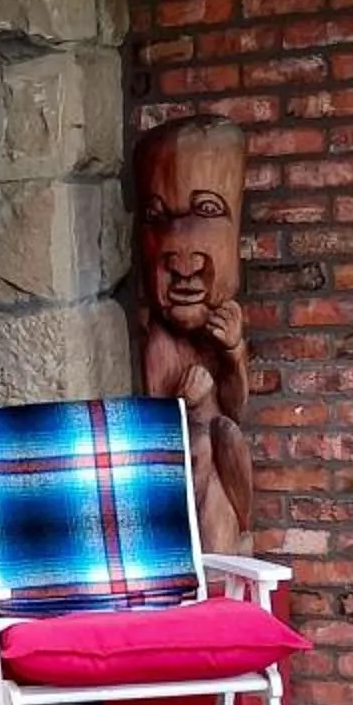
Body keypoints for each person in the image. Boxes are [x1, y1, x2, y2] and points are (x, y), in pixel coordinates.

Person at [133, 116, 253, 554]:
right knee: (200, 442)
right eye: (156, 217)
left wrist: (235, 352)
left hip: (222, 472)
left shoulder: (225, 324)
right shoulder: (159, 342)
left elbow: (237, 407)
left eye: (207, 211)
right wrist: (186, 403)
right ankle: (199, 577)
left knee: (224, 434)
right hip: (185, 472)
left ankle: (221, 577)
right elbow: (161, 431)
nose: (182, 261)